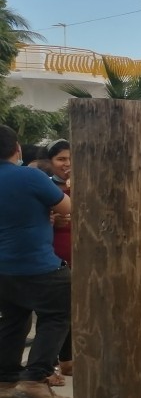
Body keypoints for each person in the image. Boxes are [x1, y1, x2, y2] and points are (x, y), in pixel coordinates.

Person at [0, 125, 72, 398]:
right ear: (16, 148)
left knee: (14, 319)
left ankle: (5, 378)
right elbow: (67, 207)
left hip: (3, 270)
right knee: (58, 312)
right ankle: (35, 376)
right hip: (37, 265)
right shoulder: (29, 176)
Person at [44, 139, 73, 384]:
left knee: (76, 309)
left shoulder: (86, 184)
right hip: (55, 256)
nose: (67, 164)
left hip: (83, 255)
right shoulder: (44, 186)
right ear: (51, 162)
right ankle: (49, 365)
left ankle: (69, 359)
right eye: (61, 159)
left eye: (71, 159)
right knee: (56, 312)